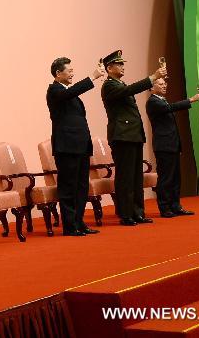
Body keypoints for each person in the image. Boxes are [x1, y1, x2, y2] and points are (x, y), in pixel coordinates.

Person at [100, 50, 166, 226]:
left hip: (133, 135)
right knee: (125, 177)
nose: (123, 67)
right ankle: (126, 214)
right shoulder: (109, 85)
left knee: (136, 177)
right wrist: (153, 77)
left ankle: (138, 212)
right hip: (122, 136)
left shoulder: (120, 84)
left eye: (123, 64)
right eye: (119, 64)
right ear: (109, 68)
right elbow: (129, 90)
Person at [47, 57, 105, 237]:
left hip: (80, 146)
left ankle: (79, 222)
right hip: (66, 146)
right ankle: (70, 226)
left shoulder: (70, 93)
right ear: (58, 73)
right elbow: (70, 93)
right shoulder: (54, 90)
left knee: (81, 187)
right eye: (69, 71)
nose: (72, 73)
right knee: (68, 187)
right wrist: (92, 77)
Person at [146, 78, 199, 218]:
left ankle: (176, 206)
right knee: (166, 178)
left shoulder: (162, 100)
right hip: (163, 146)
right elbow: (170, 108)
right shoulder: (153, 102)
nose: (164, 85)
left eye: (165, 83)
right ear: (151, 88)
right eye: (160, 84)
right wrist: (191, 99)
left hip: (172, 145)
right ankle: (165, 207)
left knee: (176, 178)